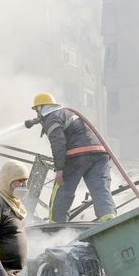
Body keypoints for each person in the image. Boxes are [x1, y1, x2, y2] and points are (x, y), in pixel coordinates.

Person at [31, 92, 116, 223]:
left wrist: (59, 169)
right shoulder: (67, 113)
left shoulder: (52, 117)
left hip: (77, 155)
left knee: (62, 189)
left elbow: (58, 143)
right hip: (100, 153)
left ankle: (55, 224)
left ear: (40, 108)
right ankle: (108, 218)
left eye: (36, 110)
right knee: (100, 187)